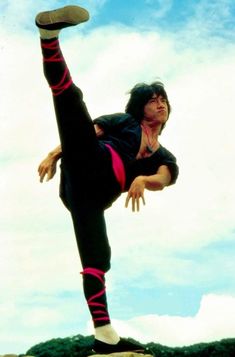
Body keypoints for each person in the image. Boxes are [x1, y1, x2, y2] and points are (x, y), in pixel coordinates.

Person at [36, 5, 179, 354]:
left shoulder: (163, 155)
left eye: (163, 100)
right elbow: (83, 132)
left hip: (92, 198)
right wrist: (53, 155)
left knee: (97, 260)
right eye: (152, 100)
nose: (159, 104)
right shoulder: (123, 122)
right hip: (89, 163)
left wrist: (145, 181)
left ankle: (104, 337)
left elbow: (165, 177)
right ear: (140, 106)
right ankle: (48, 36)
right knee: (71, 103)